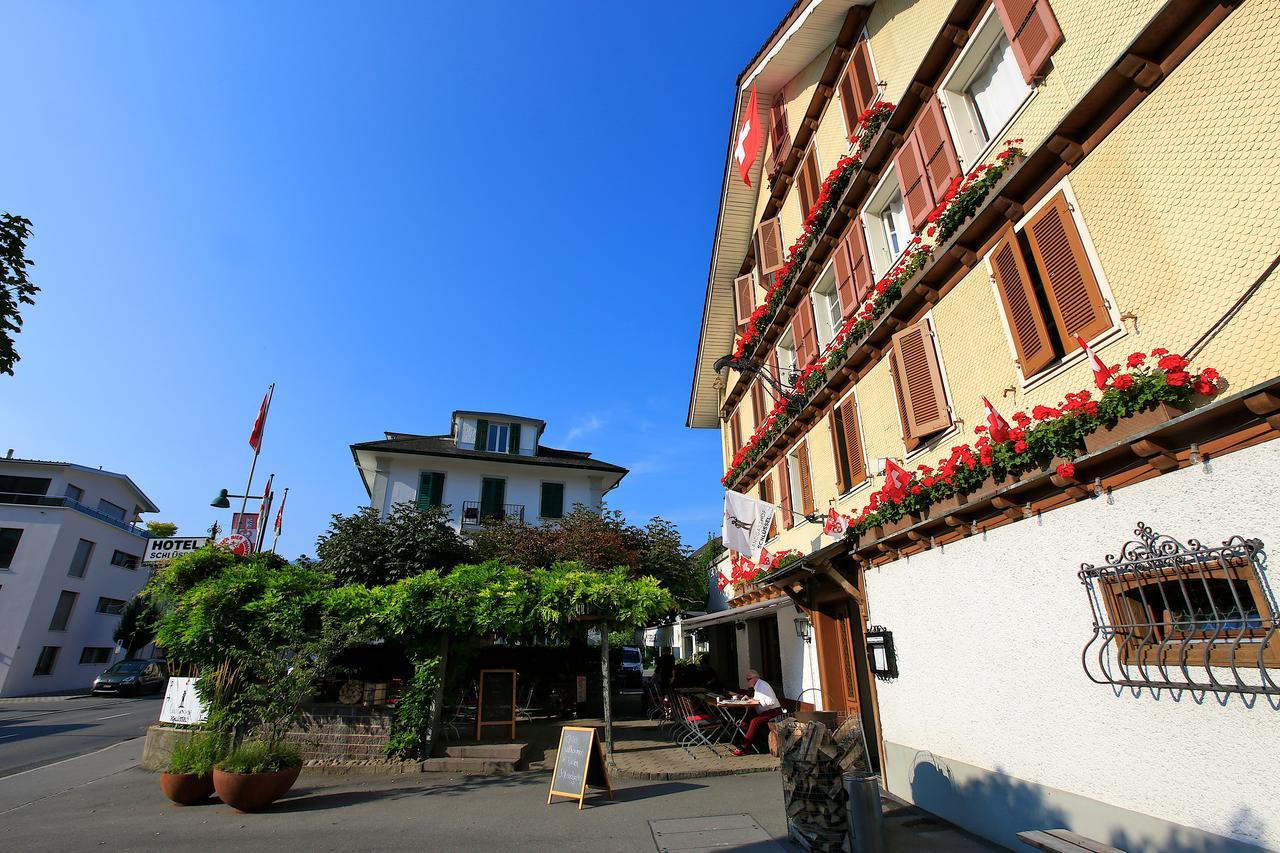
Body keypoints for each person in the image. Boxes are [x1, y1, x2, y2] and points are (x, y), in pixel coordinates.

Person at [731, 669, 783, 756]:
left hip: (773, 712)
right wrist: (750, 699)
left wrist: (756, 702)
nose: (747, 681)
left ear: (756, 678)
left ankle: (743, 747)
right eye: (747, 679)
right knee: (743, 719)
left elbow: (771, 701)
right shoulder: (757, 686)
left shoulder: (763, 685)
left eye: (749, 679)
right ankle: (748, 741)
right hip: (765, 712)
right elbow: (759, 699)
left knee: (755, 722)